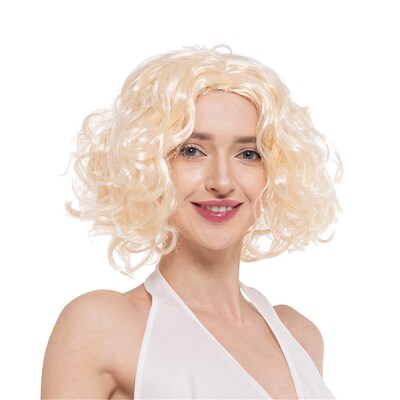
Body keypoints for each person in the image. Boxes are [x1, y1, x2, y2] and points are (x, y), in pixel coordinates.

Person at [41, 45, 342, 399]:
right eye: (192, 151)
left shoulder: (300, 336)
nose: (222, 181)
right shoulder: (102, 326)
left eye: (248, 154)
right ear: (151, 165)